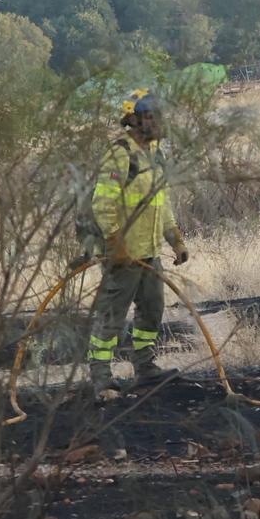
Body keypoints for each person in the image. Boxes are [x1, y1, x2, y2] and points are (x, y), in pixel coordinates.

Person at [85, 90, 190, 395]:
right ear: (133, 119)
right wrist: (115, 242)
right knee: (111, 317)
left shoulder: (156, 152)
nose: (155, 120)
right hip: (124, 253)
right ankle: (101, 380)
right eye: (148, 115)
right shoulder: (120, 152)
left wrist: (176, 240)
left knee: (152, 310)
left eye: (157, 114)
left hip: (149, 251)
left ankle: (145, 368)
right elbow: (102, 202)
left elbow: (162, 202)